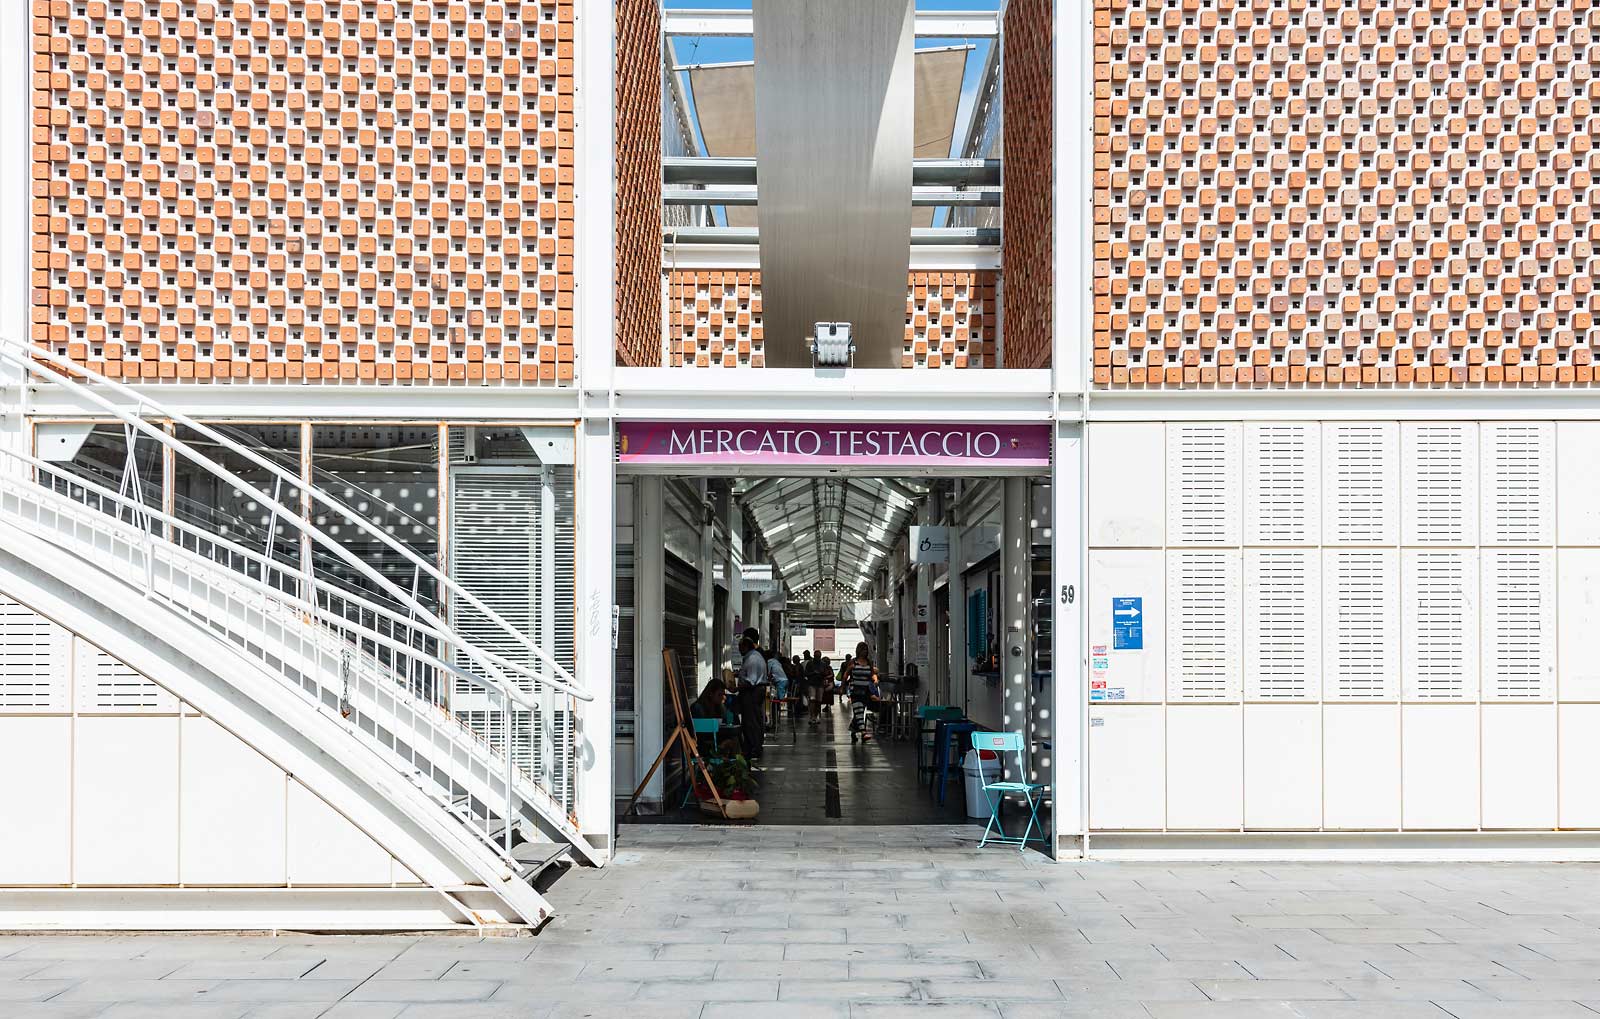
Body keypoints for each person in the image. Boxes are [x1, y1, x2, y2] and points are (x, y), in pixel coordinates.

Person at [841, 642, 881, 743]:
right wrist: (842, 686)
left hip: (865, 691)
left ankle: (853, 731)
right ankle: (863, 732)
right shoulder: (853, 662)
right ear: (858, 650)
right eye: (863, 650)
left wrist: (875, 679)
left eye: (866, 650)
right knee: (858, 710)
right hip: (855, 691)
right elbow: (846, 674)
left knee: (859, 712)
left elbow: (872, 674)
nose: (865, 652)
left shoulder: (868, 662)